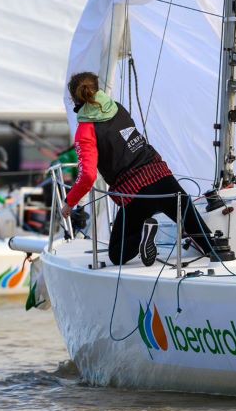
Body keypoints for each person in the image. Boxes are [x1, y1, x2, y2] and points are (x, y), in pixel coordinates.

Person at [63, 72, 212, 266]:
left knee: (117, 254)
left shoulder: (85, 130)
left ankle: (143, 237)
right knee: (204, 236)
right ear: (97, 89)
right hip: (161, 177)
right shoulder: (117, 108)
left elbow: (88, 175)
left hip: (135, 194)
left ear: (75, 98)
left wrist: (69, 202)